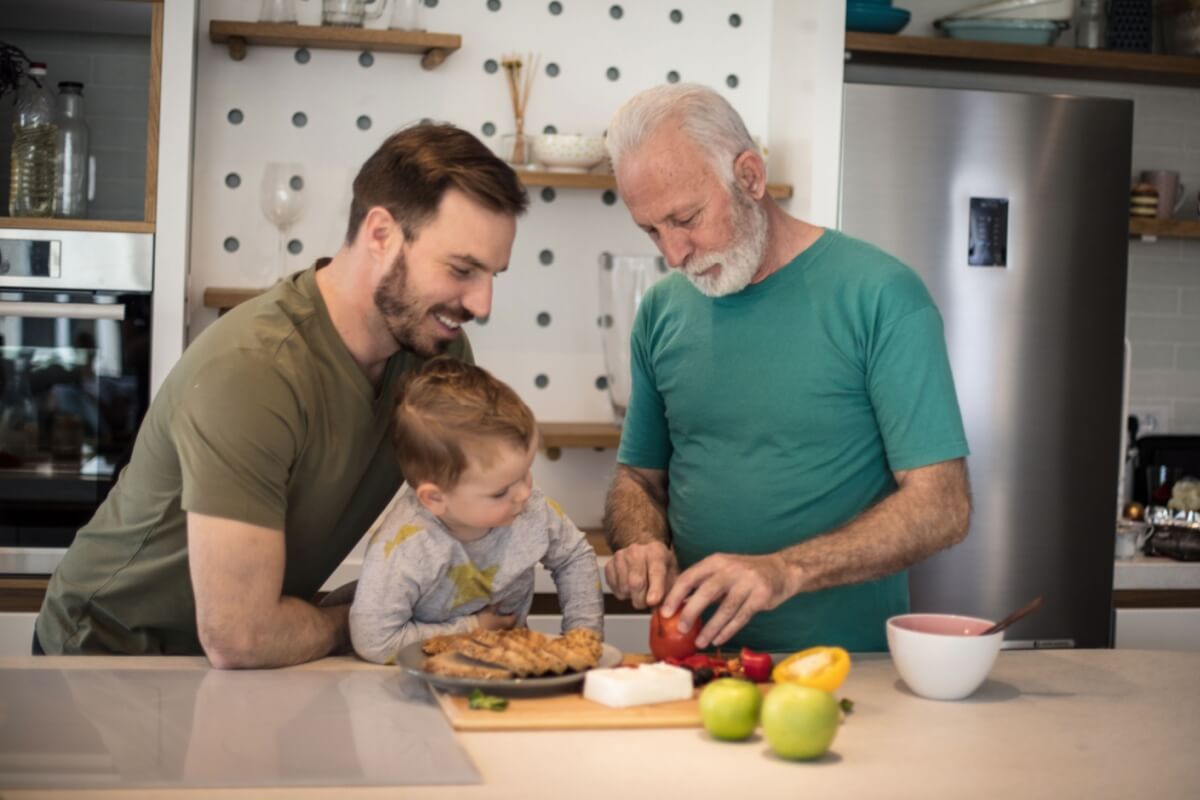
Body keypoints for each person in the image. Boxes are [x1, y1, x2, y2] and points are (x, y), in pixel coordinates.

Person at [34, 124, 529, 667]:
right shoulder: (253, 371)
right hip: (106, 655)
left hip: (239, 658)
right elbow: (240, 637)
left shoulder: (438, 356)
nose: (481, 303)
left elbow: (472, 513)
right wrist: (363, 618)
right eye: (461, 269)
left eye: (492, 275)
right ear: (381, 233)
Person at [601, 84, 971, 653]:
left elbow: (943, 506)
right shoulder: (661, 309)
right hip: (693, 665)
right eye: (652, 230)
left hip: (845, 669)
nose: (673, 254)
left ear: (749, 177)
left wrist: (785, 570)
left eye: (686, 218)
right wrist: (642, 540)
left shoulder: (880, 295)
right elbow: (637, 481)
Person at [348, 358, 603, 665]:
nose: (524, 494)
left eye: (525, 473)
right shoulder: (406, 547)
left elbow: (574, 557)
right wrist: (472, 629)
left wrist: (583, 639)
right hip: (418, 685)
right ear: (435, 498)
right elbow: (374, 642)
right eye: (500, 491)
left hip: (508, 674)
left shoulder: (530, 508)